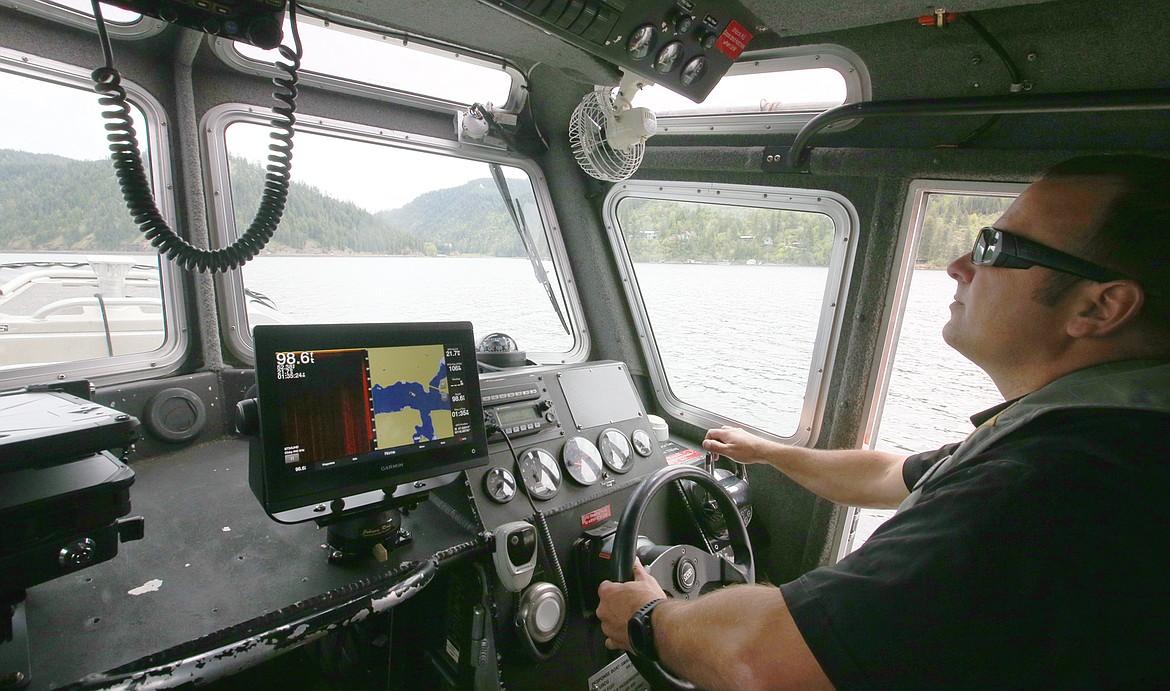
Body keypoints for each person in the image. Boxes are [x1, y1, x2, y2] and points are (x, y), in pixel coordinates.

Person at [596, 154, 1170, 690]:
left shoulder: (1054, 484)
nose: (959, 265)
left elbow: (762, 661)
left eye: (996, 248)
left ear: (1099, 307)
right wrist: (769, 452)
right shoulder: (1106, 425)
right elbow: (891, 474)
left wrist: (647, 617)